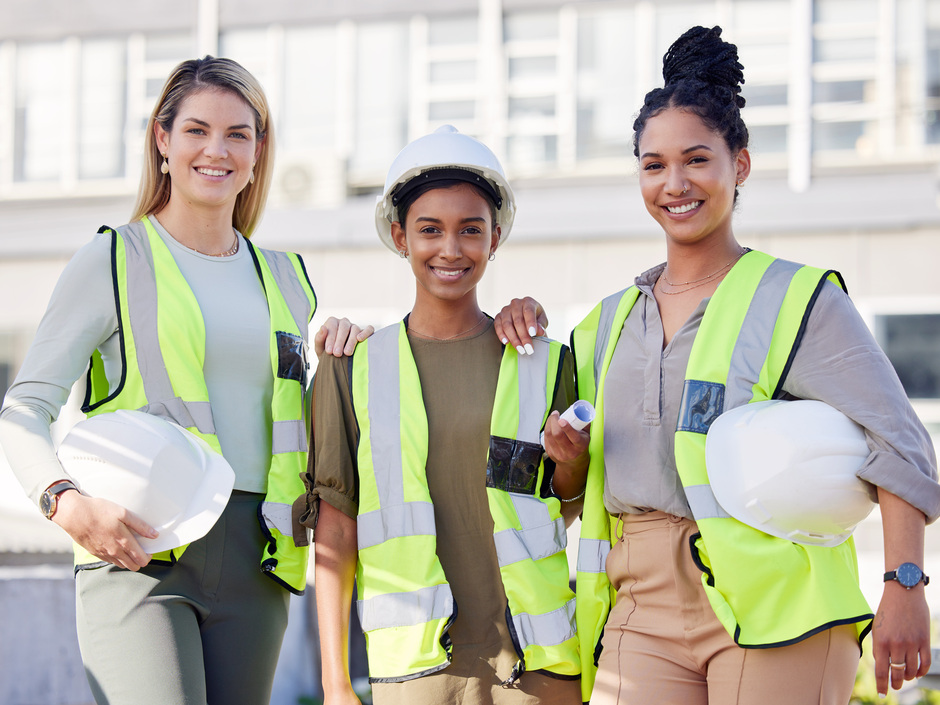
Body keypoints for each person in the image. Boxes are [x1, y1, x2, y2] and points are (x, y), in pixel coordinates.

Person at [494, 26, 940, 705]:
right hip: (639, 603)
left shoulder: (798, 299)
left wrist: (904, 584)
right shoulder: (605, 325)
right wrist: (568, 457)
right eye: (654, 165)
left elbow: (899, 440)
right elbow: (571, 489)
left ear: (742, 164)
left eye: (697, 159)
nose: (675, 184)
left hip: (779, 605)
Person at [0, 56, 369, 705]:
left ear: (258, 153)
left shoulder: (289, 279)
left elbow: (293, 423)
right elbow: (25, 407)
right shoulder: (113, 260)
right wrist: (67, 504)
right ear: (162, 141)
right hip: (140, 553)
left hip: (259, 558)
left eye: (237, 134)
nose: (216, 150)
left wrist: (345, 361)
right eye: (197, 130)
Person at [296, 125, 584, 705]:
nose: (450, 249)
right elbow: (336, 527)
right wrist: (334, 683)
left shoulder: (543, 361)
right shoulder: (351, 368)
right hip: (417, 669)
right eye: (429, 229)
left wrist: (572, 463)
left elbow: (564, 504)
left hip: (538, 660)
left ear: (495, 238)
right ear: (399, 236)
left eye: (470, 230)